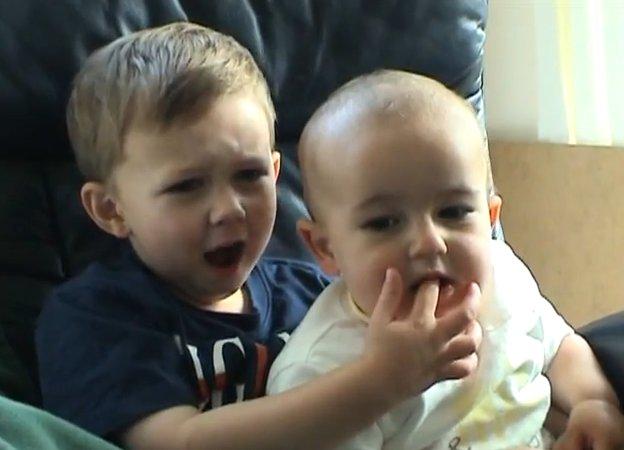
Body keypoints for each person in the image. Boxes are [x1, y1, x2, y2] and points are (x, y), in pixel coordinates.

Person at [35, 24, 485, 450]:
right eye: (187, 186)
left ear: (276, 172)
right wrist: (381, 382)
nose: (229, 209)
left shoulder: (314, 294)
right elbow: (179, 441)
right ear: (111, 209)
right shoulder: (95, 316)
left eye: (249, 175)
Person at [267, 70, 624, 449]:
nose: (429, 243)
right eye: (384, 223)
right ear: (326, 248)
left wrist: (593, 403)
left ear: (489, 220)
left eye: (453, 212)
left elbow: (560, 347)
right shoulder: (319, 372)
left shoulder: (503, 275)